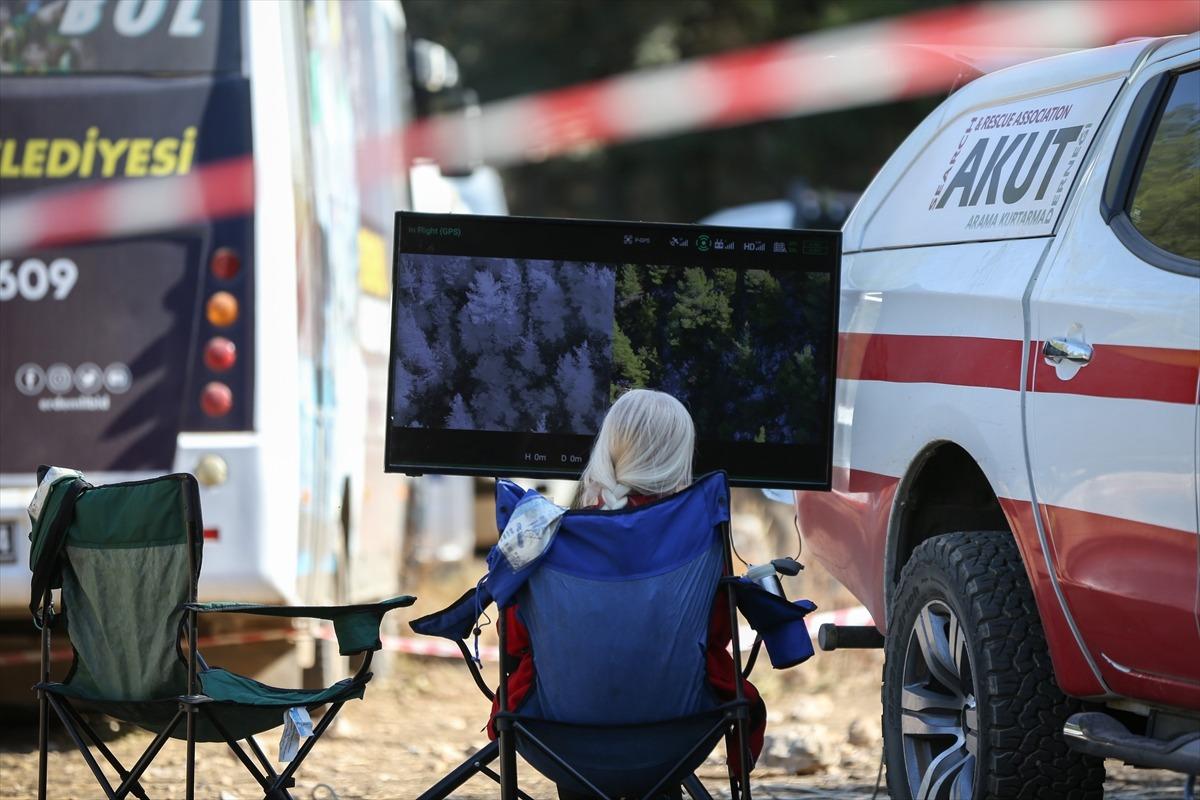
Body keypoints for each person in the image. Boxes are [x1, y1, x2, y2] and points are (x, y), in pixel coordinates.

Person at [486, 388, 767, 799]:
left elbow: (516, 639)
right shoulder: (699, 538)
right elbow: (716, 635)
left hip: (559, 734)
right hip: (679, 732)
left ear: (608, 448)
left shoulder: (546, 535)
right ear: (680, 456)